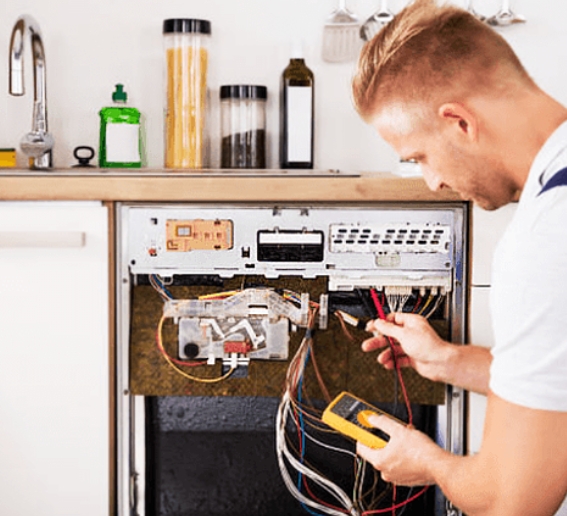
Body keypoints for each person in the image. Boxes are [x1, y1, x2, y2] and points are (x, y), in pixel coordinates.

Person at [351, 0, 567, 515]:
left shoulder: (546, 239)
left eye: (420, 157)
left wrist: (427, 462)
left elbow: (509, 503)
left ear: (459, 123)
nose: (432, 182)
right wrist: (447, 361)